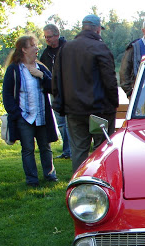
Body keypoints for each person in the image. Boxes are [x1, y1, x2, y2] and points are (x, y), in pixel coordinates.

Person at [52, 14, 119, 173]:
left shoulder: (65, 48)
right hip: (99, 109)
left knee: (79, 151)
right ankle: (101, 182)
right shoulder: (100, 47)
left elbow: (56, 79)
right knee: (102, 149)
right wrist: (113, 104)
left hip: (74, 110)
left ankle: (81, 184)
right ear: (97, 29)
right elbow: (109, 80)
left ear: (83, 27)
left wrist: (60, 105)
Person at [2, 35, 58, 187]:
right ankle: (32, 180)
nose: (37, 48)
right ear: (24, 49)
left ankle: (50, 175)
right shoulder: (14, 69)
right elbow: (7, 95)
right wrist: (16, 113)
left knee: (45, 147)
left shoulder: (40, 68)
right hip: (24, 117)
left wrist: (41, 76)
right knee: (27, 149)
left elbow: (53, 87)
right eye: (33, 45)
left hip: (41, 116)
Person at [40, 24, 71, 160]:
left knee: (70, 122)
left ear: (57, 35)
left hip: (69, 91)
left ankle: (71, 150)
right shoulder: (46, 54)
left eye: (49, 37)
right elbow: (41, 70)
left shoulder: (68, 49)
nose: (47, 40)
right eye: (45, 37)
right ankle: (66, 150)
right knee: (61, 123)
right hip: (54, 92)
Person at [119, 19, 145, 99]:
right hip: (138, 96)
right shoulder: (134, 48)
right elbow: (124, 73)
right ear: (143, 31)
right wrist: (131, 93)